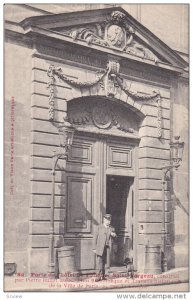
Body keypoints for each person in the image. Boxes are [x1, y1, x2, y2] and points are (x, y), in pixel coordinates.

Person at [93, 214, 117, 281]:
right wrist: (94, 248)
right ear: (104, 220)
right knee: (99, 262)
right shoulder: (99, 227)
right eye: (107, 220)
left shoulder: (112, 228)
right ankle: (98, 276)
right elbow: (94, 238)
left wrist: (114, 235)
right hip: (100, 247)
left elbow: (115, 238)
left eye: (109, 220)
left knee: (106, 262)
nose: (108, 221)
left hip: (107, 248)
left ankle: (104, 275)